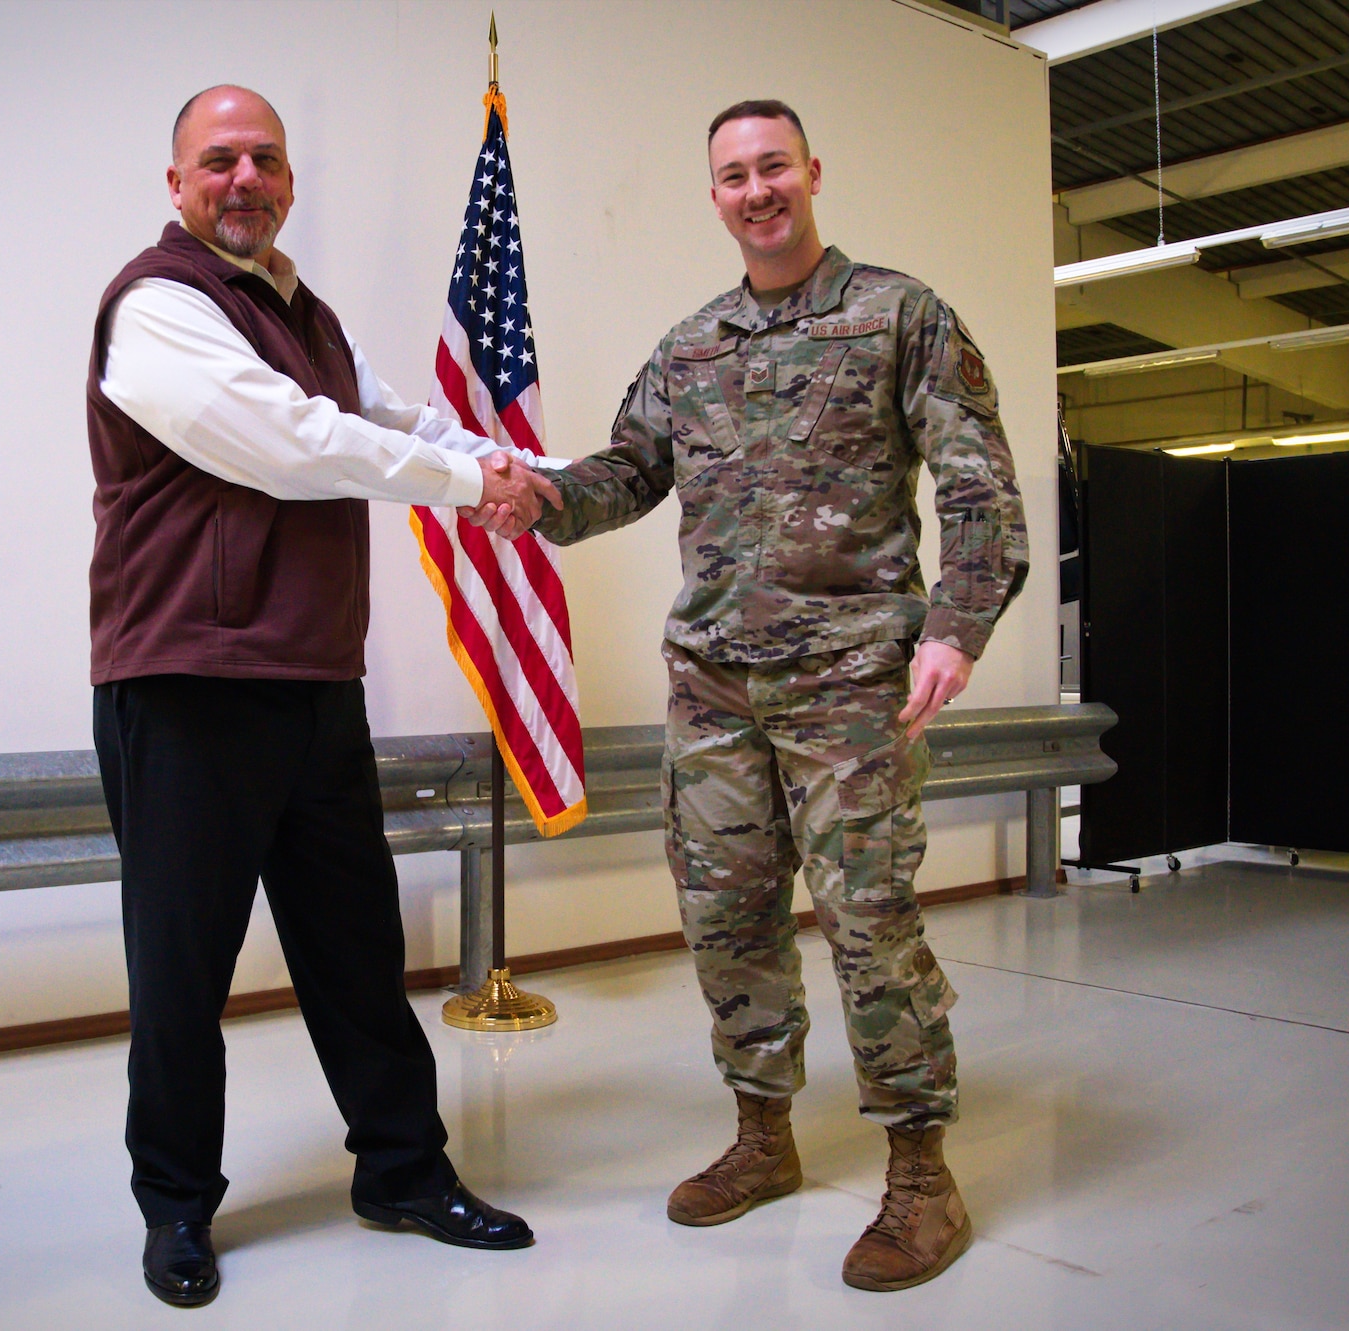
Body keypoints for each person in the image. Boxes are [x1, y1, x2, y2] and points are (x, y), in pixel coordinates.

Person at [532, 99, 1027, 1291]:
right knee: (726, 918)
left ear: (811, 172)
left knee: (867, 921)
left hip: (850, 683)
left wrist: (952, 630)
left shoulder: (901, 315)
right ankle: (762, 1136)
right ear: (712, 198)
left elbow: (979, 492)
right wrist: (535, 495)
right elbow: (627, 471)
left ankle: (920, 1174)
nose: (754, 191)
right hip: (712, 684)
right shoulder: (689, 343)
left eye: (771, 168)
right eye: (730, 176)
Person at [86, 84, 559, 1309]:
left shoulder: (306, 309)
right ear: (178, 181)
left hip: (309, 683)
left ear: (288, 178)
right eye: (219, 159)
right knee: (182, 969)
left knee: (356, 948)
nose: (245, 177)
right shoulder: (159, 304)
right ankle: (177, 1207)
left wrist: (519, 468)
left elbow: (390, 414)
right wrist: (463, 485)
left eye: (266, 159)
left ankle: (402, 1170)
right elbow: (294, 442)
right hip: (186, 683)